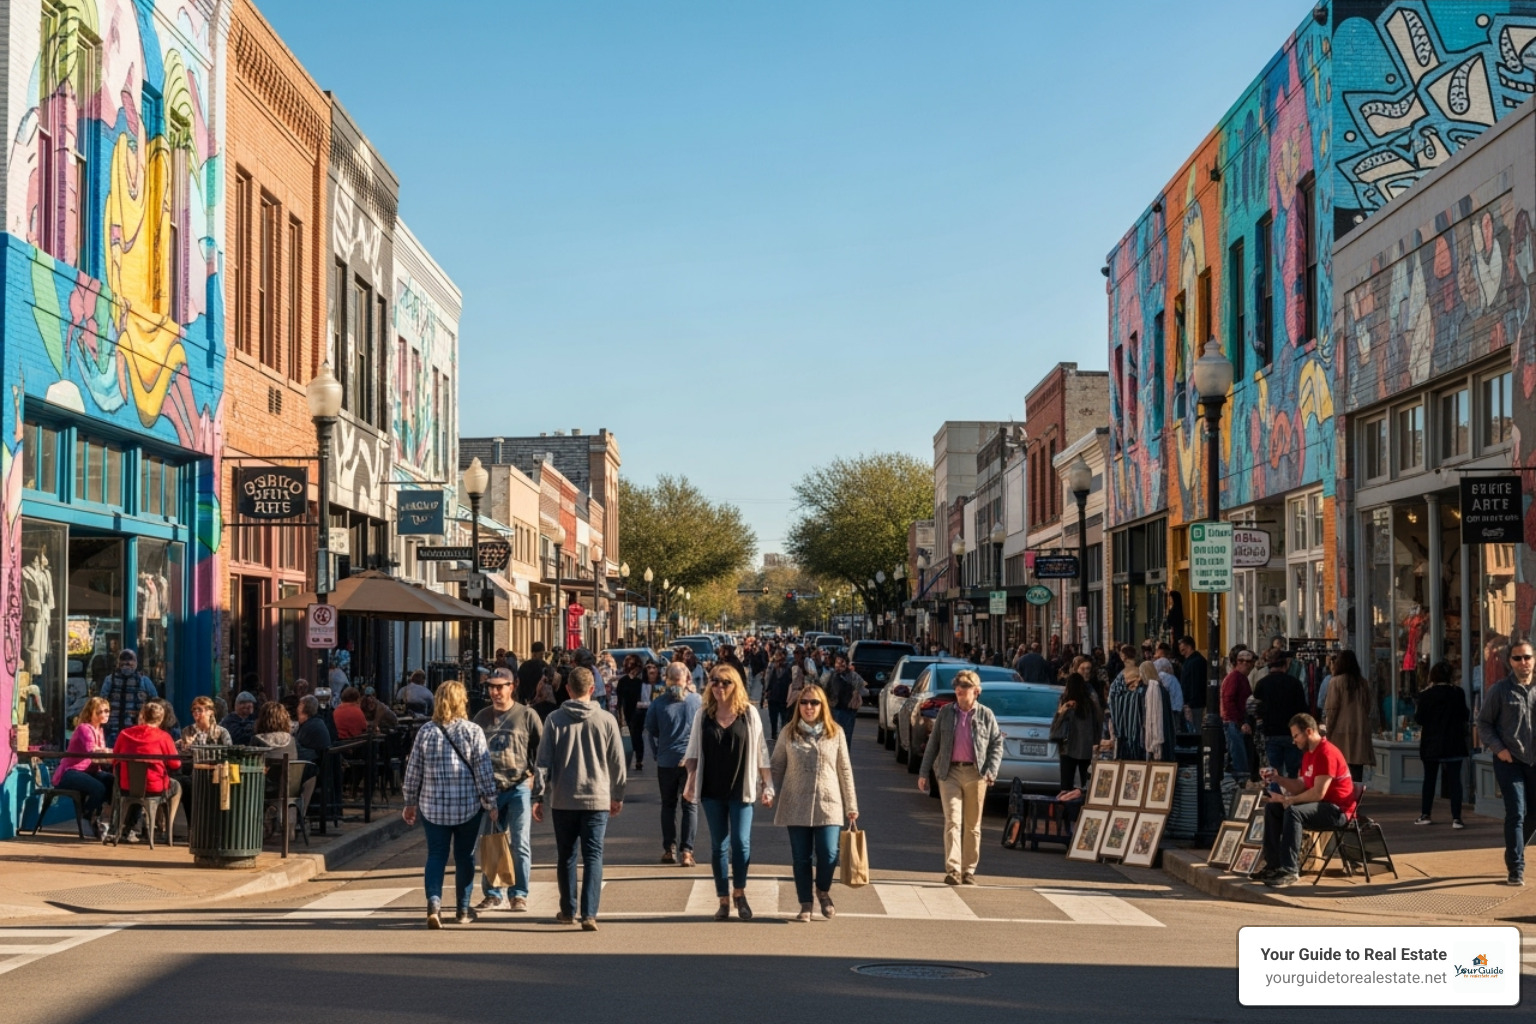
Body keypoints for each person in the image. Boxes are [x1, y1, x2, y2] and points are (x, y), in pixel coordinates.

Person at [533, 666, 626, 930]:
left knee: (566, 855)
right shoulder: (606, 720)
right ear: (592, 689)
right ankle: (589, 913)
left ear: (568, 689)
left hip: (563, 798)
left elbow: (543, 762)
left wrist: (539, 795)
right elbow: (617, 762)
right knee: (594, 855)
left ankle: (568, 909)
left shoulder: (554, 719)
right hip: (596, 798)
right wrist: (617, 794)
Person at [402, 680, 497, 927]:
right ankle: (463, 910)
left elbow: (413, 771)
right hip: (468, 806)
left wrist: (409, 801)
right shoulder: (473, 731)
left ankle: (434, 901)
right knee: (465, 856)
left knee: (436, 855)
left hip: (433, 806)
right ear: (461, 701)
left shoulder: (426, 732)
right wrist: (490, 801)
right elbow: (483, 770)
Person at [684, 663, 773, 921]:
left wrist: (768, 785)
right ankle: (723, 899)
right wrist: (690, 783)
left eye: (725, 682)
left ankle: (740, 892)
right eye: (714, 681)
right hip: (712, 790)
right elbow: (692, 753)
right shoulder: (703, 714)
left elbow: (761, 752)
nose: (719, 687)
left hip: (741, 789)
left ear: (736, 685)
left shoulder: (749, 714)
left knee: (741, 845)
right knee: (718, 846)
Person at [771, 683, 858, 922]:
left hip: (828, 802)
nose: (809, 707)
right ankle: (805, 903)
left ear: (823, 706)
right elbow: (777, 764)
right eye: (804, 702)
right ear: (798, 706)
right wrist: (769, 789)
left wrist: (851, 805)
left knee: (829, 854)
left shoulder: (835, 732)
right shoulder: (788, 732)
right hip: (795, 801)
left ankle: (823, 890)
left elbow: (845, 770)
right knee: (801, 857)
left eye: (814, 702)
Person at [918, 669, 1003, 885]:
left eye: (965, 687)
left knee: (972, 825)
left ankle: (969, 871)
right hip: (950, 772)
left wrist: (991, 770)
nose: (960, 690)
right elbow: (933, 744)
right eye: (957, 686)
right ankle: (953, 869)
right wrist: (924, 773)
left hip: (977, 774)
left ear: (976, 691)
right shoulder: (946, 713)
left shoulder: (986, 714)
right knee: (952, 821)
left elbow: (996, 744)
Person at [1255, 714, 1355, 888]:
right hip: (1320, 806)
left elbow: (1318, 793)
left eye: (1296, 736)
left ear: (1308, 731)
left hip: (1337, 810)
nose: (1294, 741)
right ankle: (1273, 865)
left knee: (1294, 812)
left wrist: (1289, 800)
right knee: (1273, 809)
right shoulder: (1309, 754)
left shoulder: (1325, 753)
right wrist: (1278, 779)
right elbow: (1301, 785)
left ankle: (1290, 870)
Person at [473, 669, 543, 913]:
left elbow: (540, 750)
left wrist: (536, 780)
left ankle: (519, 894)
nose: (495, 691)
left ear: (512, 686)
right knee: (493, 841)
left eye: (500, 686)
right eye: (491, 686)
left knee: (520, 843)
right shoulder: (481, 718)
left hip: (518, 786)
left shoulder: (526, 715)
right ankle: (493, 893)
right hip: (490, 788)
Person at [1476, 638, 1536, 886]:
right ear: (1509, 662)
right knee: (1516, 812)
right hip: (1509, 761)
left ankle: (1515, 849)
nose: (1523, 662)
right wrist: (1499, 749)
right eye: (1517, 658)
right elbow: (1483, 723)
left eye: (1527, 657)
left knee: (1532, 814)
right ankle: (1516, 868)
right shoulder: (1499, 690)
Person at [646, 662, 702, 866]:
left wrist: (657, 754)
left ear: (666, 680)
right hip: (691, 761)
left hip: (667, 761)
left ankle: (669, 849)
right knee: (690, 805)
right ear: (687, 680)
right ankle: (687, 851)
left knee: (668, 805)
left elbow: (651, 732)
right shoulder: (697, 701)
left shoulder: (658, 703)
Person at [106, 701, 182, 843]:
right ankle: (167, 832)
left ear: (142, 716)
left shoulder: (124, 734)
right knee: (176, 786)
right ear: (161, 719)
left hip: (126, 786)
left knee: (135, 790)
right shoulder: (163, 737)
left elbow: (115, 758)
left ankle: (124, 829)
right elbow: (176, 763)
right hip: (155, 788)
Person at [1414, 661, 1468, 828]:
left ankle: (1425, 814)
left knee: (1429, 780)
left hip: (1432, 743)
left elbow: (1419, 719)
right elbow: (1464, 715)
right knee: (1454, 781)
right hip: (1454, 742)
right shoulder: (1458, 693)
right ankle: (1457, 818)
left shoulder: (1426, 695)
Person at [54, 697, 112, 836]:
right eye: (100, 711)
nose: (104, 714)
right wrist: (112, 751)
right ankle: (86, 816)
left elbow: (100, 755)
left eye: (107, 711)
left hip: (90, 771)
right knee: (98, 788)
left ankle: (102, 816)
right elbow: (92, 750)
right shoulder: (84, 728)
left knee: (113, 781)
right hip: (71, 772)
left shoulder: (100, 730)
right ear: (91, 712)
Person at [1252, 651, 1309, 777]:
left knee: (1274, 771)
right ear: (1285, 666)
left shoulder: (1261, 684)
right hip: (1292, 733)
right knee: (1293, 771)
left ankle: (1275, 794)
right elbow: (1303, 710)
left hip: (1271, 732)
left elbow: (1255, 708)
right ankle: (1292, 794)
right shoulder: (1294, 683)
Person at [1322, 649, 1375, 782]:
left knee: (1340, 771)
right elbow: (1368, 706)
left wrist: (1328, 730)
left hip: (1340, 731)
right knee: (1356, 771)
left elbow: (1332, 709)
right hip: (1360, 730)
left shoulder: (1336, 682)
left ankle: (1343, 799)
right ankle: (1354, 799)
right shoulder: (1362, 683)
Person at [1053, 670, 1103, 792]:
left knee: (1066, 784)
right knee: (1086, 784)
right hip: (1085, 748)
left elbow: (1057, 724)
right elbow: (1096, 722)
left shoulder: (1066, 702)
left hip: (1067, 746)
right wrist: (1097, 741)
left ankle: (1065, 807)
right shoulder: (1089, 703)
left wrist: (1061, 711)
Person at [99, 649, 158, 744]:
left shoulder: (143, 680)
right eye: (123, 659)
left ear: (136, 662)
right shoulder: (110, 680)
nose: (127, 662)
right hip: (114, 729)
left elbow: (156, 703)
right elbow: (101, 702)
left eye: (130, 660)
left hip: (136, 729)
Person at [1221, 649, 1258, 780]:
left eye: (1252, 662)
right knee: (1239, 760)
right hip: (1234, 723)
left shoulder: (1240, 678)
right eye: (1248, 662)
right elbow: (1228, 701)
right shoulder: (1235, 678)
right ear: (1239, 662)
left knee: (1240, 757)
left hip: (1236, 722)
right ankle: (1239, 786)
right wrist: (1241, 723)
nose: (1251, 665)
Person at [614, 655, 649, 772]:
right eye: (633, 667)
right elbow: (619, 699)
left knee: (637, 734)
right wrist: (619, 715)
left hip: (639, 712)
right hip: (627, 711)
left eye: (638, 668)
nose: (636, 670)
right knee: (629, 736)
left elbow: (645, 697)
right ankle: (628, 758)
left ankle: (639, 760)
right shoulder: (623, 681)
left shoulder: (641, 682)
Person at [823, 653, 863, 737]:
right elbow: (825, 690)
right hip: (834, 709)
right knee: (833, 735)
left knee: (845, 736)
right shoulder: (831, 675)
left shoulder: (852, 676)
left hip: (848, 711)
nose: (840, 665)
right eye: (837, 662)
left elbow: (862, 688)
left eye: (842, 662)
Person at [762, 649, 794, 742]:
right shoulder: (771, 667)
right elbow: (767, 680)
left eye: (781, 659)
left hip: (784, 698)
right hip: (773, 697)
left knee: (784, 719)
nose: (779, 661)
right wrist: (765, 693)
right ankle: (773, 735)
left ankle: (783, 736)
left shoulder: (788, 668)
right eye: (777, 659)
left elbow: (791, 682)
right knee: (773, 719)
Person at [1177, 636, 1207, 730]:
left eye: (1183, 650)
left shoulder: (1195, 662)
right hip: (1194, 703)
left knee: (1195, 728)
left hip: (1194, 704)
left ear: (1190, 647)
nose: (1182, 653)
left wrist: (1189, 703)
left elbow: (1195, 684)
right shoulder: (1192, 661)